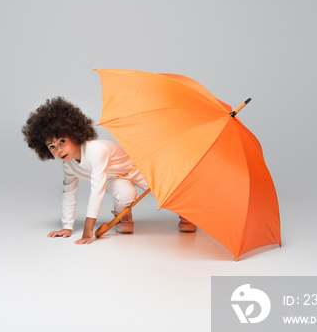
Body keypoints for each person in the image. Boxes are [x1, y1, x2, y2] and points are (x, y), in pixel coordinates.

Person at [22, 97, 196, 244]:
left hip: (135, 168)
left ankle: (187, 212)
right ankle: (124, 217)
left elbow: (97, 189)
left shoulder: (96, 151)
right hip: (113, 177)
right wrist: (67, 227)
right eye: (52, 146)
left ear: (74, 134)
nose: (59, 150)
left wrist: (88, 229)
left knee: (163, 191)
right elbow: (69, 194)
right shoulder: (68, 166)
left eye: (62, 141)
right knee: (126, 195)